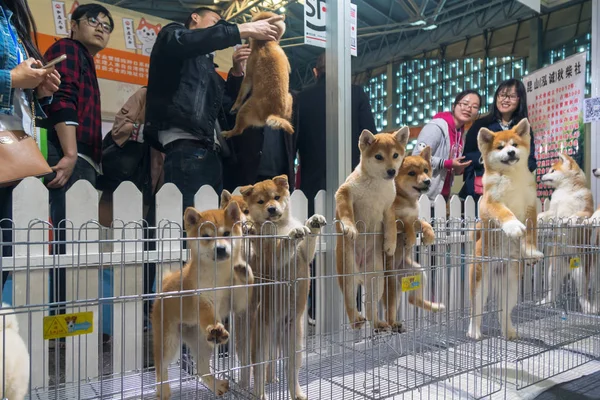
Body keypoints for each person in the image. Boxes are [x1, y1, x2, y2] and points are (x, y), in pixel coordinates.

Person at [144, 7, 284, 210]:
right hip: (188, 143)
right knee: (191, 223)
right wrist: (244, 28)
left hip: (210, 150)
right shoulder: (173, 35)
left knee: (206, 224)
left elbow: (228, 109)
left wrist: (237, 73)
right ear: (195, 18)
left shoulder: (207, 70)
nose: (219, 28)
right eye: (214, 21)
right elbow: (190, 41)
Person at [41, 3, 113, 337]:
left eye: (107, 25)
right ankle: (61, 329)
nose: (101, 27)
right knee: (71, 246)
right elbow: (62, 97)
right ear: (73, 25)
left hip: (84, 160)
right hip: (74, 157)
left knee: (74, 245)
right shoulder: (67, 48)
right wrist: (70, 153)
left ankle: (67, 329)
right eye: (94, 21)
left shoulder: (85, 58)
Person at [0, 0, 60, 290]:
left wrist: (38, 88)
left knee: (6, 251)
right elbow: (12, 80)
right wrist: (12, 78)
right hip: (8, 147)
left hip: (14, 146)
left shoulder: (12, 21)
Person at [294, 52, 377, 214]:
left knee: (316, 234)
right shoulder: (357, 94)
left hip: (312, 184)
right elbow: (372, 140)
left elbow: (292, 143)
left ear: (316, 72)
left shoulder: (301, 99)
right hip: (353, 181)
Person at [459, 79, 537, 203]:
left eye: (511, 96)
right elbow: (467, 156)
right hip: (481, 192)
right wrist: (489, 160)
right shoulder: (482, 126)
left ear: (520, 99)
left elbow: (531, 160)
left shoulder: (522, 128)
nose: (505, 100)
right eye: (502, 95)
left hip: (513, 192)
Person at [412, 90, 482, 202]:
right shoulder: (435, 127)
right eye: (464, 104)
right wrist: (448, 163)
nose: (468, 109)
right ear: (454, 106)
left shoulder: (461, 135)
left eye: (474, 106)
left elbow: (450, 166)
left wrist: (458, 169)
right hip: (422, 196)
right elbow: (416, 158)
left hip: (441, 197)